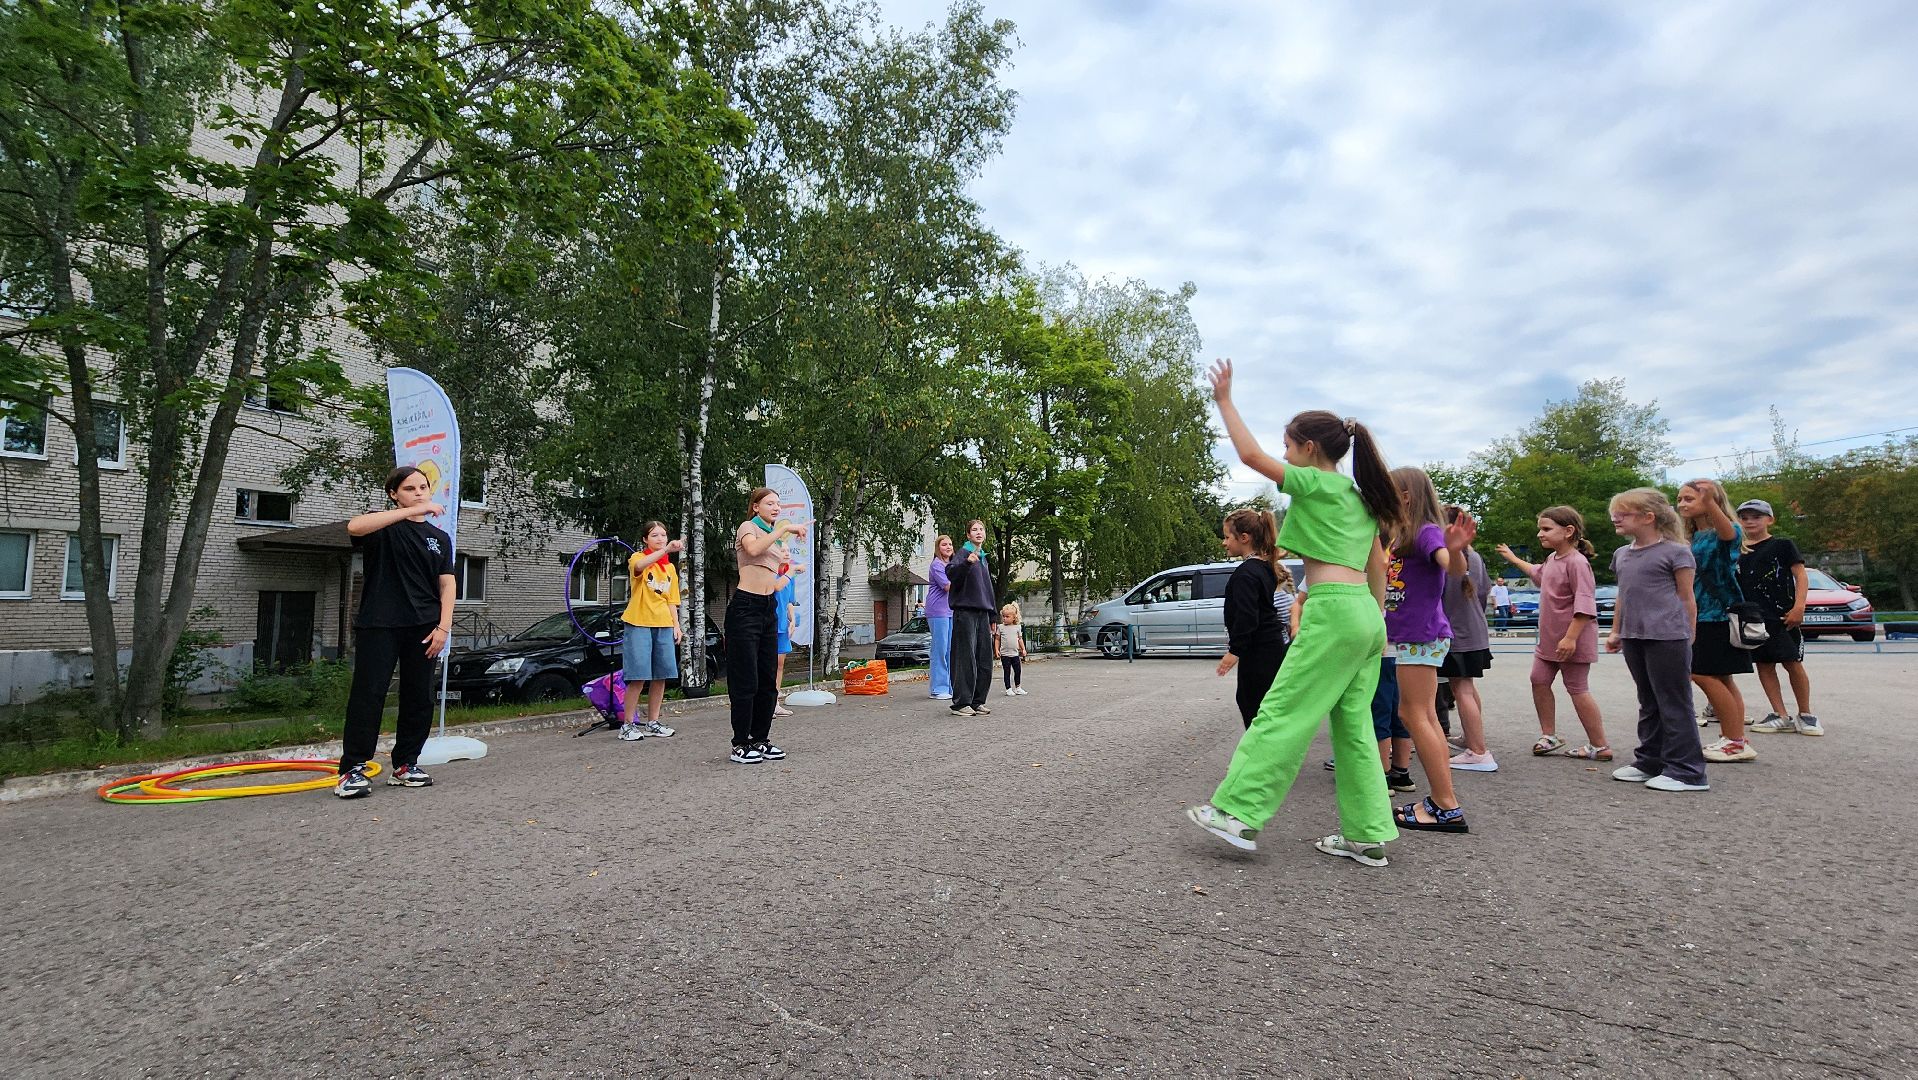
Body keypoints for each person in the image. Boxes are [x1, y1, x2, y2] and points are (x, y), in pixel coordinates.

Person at [1184, 359, 1407, 867]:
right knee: (1353, 726)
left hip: (1333, 613)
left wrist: (1223, 400)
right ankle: (1367, 835)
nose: (1284, 453)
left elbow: (1247, 454)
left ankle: (1235, 813)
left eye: (1288, 445)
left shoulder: (1316, 483)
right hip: (1365, 618)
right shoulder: (1361, 495)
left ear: (1309, 449)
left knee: (1282, 711)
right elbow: (1378, 562)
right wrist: (1376, 623)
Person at [335, 466, 456, 798]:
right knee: (369, 694)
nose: (418, 492)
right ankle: (353, 770)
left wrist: (443, 627)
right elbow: (354, 526)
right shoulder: (382, 529)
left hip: (425, 627)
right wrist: (413, 511)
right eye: (409, 489)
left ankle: (405, 765)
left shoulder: (439, 538)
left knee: (419, 697)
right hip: (380, 623)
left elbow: (447, 585)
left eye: (423, 487)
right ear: (394, 494)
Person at [1384, 466, 1474, 834]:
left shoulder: (1426, 532)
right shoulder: (1402, 535)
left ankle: (1445, 805)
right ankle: (1442, 801)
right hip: (1414, 636)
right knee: (1425, 716)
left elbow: (1451, 566)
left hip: (1419, 636)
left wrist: (1454, 550)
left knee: (1414, 714)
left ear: (1406, 496)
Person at [1606, 488, 1709, 792]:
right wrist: (1616, 630)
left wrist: (1687, 636)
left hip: (1668, 636)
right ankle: (1650, 760)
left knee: (1674, 702)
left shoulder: (1677, 552)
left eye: (1623, 513)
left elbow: (1687, 598)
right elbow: (1624, 596)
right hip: (1634, 635)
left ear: (1648, 517)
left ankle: (1688, 771)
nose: (1615, 518)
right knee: (1648, 700)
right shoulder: (1622, 554)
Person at [1497, 506, 1610, 762]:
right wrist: (1513, 559)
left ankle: (1599, 745)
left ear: (1568, 531)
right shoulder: (1553, 559)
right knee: (1538, 679)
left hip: (1571, 640)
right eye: (1540, 528)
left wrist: (1571, 637)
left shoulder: (1577, 562)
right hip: (1549, 641)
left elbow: (1585, 603)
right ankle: (1549, 734)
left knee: (1577, 689)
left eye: (1546, 529)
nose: (1540, 534)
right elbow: (1538, 573)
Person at [728, 487, 809, 764]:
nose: (776, 507)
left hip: (767, 608)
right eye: (770, 503)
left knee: (768, 679)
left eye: (778, 504)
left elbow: (773, 583)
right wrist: (783, 531)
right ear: (755, 506)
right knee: (745, 679)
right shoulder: (748, 528)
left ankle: (760, 739)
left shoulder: (775, 540)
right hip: (745, 607)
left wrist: (791, 570)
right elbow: (752, 549)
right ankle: (740, 743)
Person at [1679, 478, 1756, 763]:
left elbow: (1729, 535)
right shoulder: (1691, 538)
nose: (1683, 504)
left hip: (1716, 615)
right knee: (1723, 677)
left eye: (1690, 499)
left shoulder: (1725, 531)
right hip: (1699, 613)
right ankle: (1735, 738)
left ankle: (1734, 741)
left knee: (1699, 672)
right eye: (1681, 499)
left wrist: (1709, 500)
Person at [1736, 500, 1821, 736]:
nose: (1751, 521)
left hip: (1783, 615)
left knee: (1792, 662)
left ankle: (1806, 714)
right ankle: (1780, 713)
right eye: (1745, 517)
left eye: (1757, 516)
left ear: (1769, 519)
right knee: (1764, 664)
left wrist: (1799, 606)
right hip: (1753, 617)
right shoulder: (1738, 550)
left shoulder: (1782, 545)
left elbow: (1800, 575)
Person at [1438, 506, 1497, 773]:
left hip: (1456, 632)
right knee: (1468, 688)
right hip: (1475, 630)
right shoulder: (1474, 556)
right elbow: (1483, 592)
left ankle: (1478, 751)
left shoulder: (1446, 558)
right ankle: (1472, 739)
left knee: (1460, 689)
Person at [1217, 508, 1287, 728]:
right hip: (1269, 647)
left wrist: (1234, 651)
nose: (1224, 543)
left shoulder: (1246, 573)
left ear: (1244, 538)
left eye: (1228, 537)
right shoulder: (1264, 568)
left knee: (1253, 704)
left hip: (1259, 651)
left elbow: (1248, 616)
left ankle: (1261, 759)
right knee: (1262, 704)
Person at [618, 521, 683, 742]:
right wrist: (665, 550)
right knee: (638, 676)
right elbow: (640, 566)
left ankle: (653, 721)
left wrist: (676, 625)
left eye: (663, 535)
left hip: (663, 624)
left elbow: (672, 600)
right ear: (645, 539)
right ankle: (627, 724)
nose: (660, 539)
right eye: (655, 535)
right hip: (639, 622)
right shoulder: (637, 558)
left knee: (661, 675)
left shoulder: (670, 568)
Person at [945, 519, 996, 717]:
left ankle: (977, 701)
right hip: (965, 612)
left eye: (981, 529)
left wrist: (993, 614)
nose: (978, 532)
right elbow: (951, 572)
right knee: (965, 658)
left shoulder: (982, 557)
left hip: (982, 613)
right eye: (974, 530)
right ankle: (961, 703)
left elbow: (988, 588)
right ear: (968, 535)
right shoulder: (964, 553)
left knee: (984, 659)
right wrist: (967, 563)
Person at [925, 535, 956, 701]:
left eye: (950, 544)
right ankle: (938, 688)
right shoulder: (937, 564)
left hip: (950, 610)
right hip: (938, 611)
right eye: (944, 544)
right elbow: (947, 586)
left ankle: (950, 686)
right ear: (938, 548)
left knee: (950, 650)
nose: (948, 547)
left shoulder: (951, 565)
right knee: (940, 650)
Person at [771, 563, 804, 718]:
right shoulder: (769, 573)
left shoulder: (790, 577)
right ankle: (763, 704)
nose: (785, 554)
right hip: (768, 625)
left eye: (787, 551)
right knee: (766, 665)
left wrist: (791, 620)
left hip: (782, 627)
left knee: (779, 665)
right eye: (782, 550)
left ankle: (775, 703)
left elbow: (789, 602)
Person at [998, 602, 1029, 695]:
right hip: (1005, 654)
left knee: (1018, 671)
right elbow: (997, 639)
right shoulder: (1001, 627)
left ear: (1014, 617)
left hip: (1015, 654)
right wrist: (996, 650)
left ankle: (1018, 687)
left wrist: (1023, 649)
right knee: (1007, 672)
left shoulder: (1017, 627)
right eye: (1003, 616)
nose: (1004, 618)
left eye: (1007, 616)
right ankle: (1008, 688)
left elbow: (1020, 639)